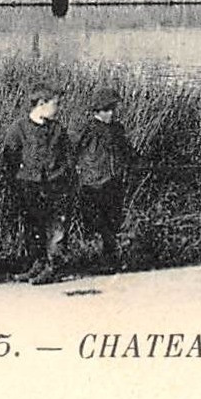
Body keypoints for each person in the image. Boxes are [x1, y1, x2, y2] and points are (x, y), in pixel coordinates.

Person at [0, 84, 73, 285]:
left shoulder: (58, 129)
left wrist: (63, 174)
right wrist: (17, 178)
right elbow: (9, 155)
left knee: (56, 227)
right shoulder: (19, 128)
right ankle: (37, 264)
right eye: (55, 104)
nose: (59, 109)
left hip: (55, 184)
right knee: (33, 225)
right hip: (29, 185)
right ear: (41, 104)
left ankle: (53, 266)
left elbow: (67, 155)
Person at [74, 86, 134, 272]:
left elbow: (126, 151)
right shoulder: (88, 129)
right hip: (93, 182)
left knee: (112, 220)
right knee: (97, 221)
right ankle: (109, 255)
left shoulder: (117, 129)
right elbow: (74, 151)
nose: (111, 114)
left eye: (113, 110)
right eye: (107, 110)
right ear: (98, 110)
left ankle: (111, 260)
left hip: (113, 181)